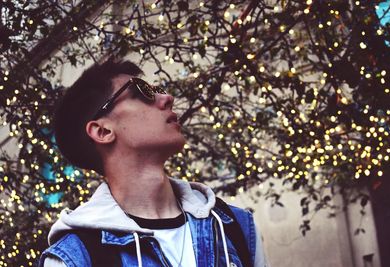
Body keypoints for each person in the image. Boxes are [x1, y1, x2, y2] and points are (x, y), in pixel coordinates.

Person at [39, 58, 268, 267]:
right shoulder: (74, 259)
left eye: (157, 90)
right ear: (102, 130)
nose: (167, 98)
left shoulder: (235, 227)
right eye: (143, 92)